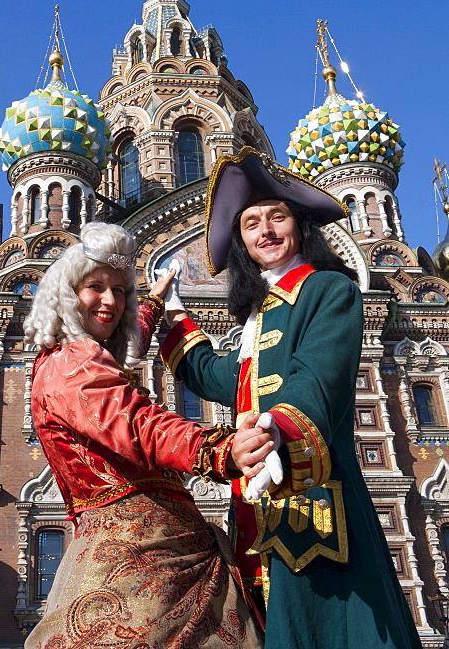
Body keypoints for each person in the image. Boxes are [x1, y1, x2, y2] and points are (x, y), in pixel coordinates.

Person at [160, 147, 421, 649]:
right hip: (257, 500)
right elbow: (221, 379)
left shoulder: (327, 291)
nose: (266, 231)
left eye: (277, 217)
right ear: (242, 242)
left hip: (316, 489)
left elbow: (316, 379)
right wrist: (173, 313)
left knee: (331, 622)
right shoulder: (260, 314)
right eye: (251, 223)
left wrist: (276, 428)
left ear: (299, 226)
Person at [23, 221, 263, 649]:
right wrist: (220, 449)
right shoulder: (71, 365)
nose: (111, 301)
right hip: (139, 563)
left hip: (162, 550)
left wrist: (152, 301)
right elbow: (136, 424)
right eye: (95, 287)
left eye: (120, 291)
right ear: (66, 294)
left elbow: (123, 351)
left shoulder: (83, 360)